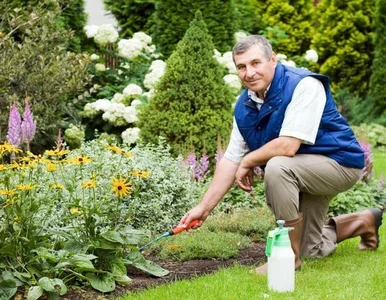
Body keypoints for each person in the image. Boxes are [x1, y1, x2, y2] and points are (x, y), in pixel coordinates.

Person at [178, 35, 383, 274]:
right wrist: (203, 208)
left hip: (339, 164)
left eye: (256, 63)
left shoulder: (304, 84)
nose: (249, 72)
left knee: (277, 167)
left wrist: (249, 160)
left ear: (272, 60)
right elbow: (231, 159)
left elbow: (288, 146)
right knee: (311, 248)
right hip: (302, 171)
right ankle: (364, 222)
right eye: (241, 67)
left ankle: (287, 259)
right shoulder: (244, 105)